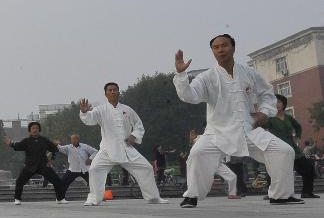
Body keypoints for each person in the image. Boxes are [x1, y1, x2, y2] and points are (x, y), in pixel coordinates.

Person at [173, 35, 302, 207]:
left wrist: (264, 113)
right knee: (197, 153)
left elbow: (267, 94)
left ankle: (281, 196)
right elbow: (189, 95)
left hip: (247, 130)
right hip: (216, 133)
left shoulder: (249, 73)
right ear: (212, 52)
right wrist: (181, 75)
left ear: (233, 48)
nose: (220, 50)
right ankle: (192, 196)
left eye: (224, 45)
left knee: (284, 151)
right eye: (216, 47)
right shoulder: (208, 77)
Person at [79, 83, 167, 206]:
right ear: (106, 94)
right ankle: (94, 198)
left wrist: (134, 136)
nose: (113, 92)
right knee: (94, 169)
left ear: (119, 92)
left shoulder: (127, 109)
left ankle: (153, 197)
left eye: (115, 90)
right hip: (107, 149)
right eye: (110, 90)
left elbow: (138, 125)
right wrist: (84, 113)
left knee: (146, 168)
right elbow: (90, 119)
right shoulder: (101, 110)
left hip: (126, 148)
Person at [261, 94, 318, 199]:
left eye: (279, 102)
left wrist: (297, 137)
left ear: (283, 104)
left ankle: (307, 192)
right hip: (278, 149)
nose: (276, 104)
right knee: (275, 171)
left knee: (308, 167)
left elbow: (298, 126)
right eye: (274, 102)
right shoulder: (270, 119)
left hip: (293, 149)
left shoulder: (288, 117)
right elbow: (261, 126)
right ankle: (272, 194)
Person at [4, 122, 66, 205]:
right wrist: (11, 144)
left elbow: (54, 149)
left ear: (39, 130)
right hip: (30, 166)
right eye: (33, 128)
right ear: (30, 130)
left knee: (57, 180)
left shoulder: (44, 140)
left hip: (43, 165)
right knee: (19, 181)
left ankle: (60, 198)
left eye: (36, 128)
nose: (35, 130)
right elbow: (17, 146)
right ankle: (17, 199)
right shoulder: (26, 141)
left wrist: (52, 159)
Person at [56, 134, 97, 201]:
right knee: (63, 183)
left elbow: (95, 151)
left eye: (75, 139)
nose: (73, 141)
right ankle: (60, 198)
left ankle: (98, 196)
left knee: (93, 183)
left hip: (84, 169)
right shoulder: (68, 147)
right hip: (72, 170)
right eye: (72, 139)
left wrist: (90, 159)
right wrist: (56, 144)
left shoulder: (85, 146)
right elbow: (60, 148)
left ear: (78, 139)